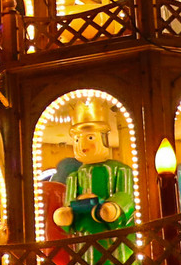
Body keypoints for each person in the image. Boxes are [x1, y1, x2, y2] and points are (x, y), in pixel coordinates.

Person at [52, 97, 135, 237]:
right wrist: (66, 215)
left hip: (115, 239)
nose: (82, 145)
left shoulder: (121, 170)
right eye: (77, 140)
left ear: (103, 138)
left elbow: (127, 196)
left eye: (90, 138)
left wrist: (112, 207)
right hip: (86, 240)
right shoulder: (75, 177)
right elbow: (69, 203)